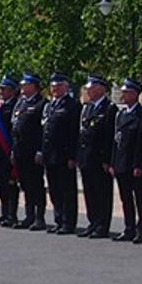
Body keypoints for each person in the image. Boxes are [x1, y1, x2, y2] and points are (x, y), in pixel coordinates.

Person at [41, 74, 82, 234]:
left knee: (67, 190)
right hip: (50, 154)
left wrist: (73, 156)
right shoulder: (50, 106)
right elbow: (45, 130)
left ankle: (68, 222)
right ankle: (58, 219)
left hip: (64, 155)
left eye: (58, 86)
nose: (55, 89)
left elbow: (74, 133)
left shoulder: (72, 105)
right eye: (53, 86)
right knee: (54, 189)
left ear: (66, 87)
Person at [76, 76, 116, 239]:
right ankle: (93, 222)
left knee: (102, 193)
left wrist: (107, 160)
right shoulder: (87, 108)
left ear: (101, 88)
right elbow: (82, 134)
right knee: (90, 192)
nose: (88, 91)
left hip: (99, 159)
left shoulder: (109, 108)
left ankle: (102, 225)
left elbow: (109, 137)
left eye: (91, 88)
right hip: (87, 157)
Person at [111, 79, 142, 243]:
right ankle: (129, 227)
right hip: (121, 161)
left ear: (135, 94)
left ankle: (141, 229)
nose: (123, 95)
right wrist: (113, 162)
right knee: (125, 197)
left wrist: (139, 164)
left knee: (138, 197)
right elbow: (115, 140)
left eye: (127, 92)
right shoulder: (121, 114)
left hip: (133, 162)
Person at [12, 74, 49, 230]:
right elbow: (14, 127)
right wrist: (13, 151)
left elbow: (44, 130)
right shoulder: (20, 103)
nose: (22, 87)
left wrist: (40, 150)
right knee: (25, 184)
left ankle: (39, 217)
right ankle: (29, 215)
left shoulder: (41, 103)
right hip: (20, 150)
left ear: (34, 86)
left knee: (36, 185)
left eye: (25, 84)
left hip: (33, 151)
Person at [0, 73, 21, 226]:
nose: (1, 91)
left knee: (10, 185)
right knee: (0, 184)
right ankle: (4, 212)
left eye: (5, 89)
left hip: (7, 150)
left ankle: (12, 214)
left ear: (13, 90)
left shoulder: (15, 106)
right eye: (1, 88)